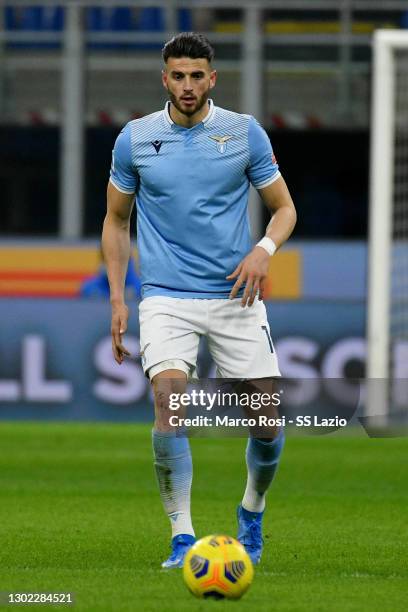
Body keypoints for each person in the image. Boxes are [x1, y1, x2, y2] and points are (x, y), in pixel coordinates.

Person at [102, 32, 296, 569]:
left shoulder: (243, 133)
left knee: (267, 420)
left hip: (237, 293)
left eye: (196, 76)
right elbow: (117, 221)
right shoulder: (135, 138)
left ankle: (251, 512)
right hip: (165, 295)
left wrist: (263, 250)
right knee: (169, 398)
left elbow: (284, 209)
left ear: (213, 78)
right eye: (177, 76)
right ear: (164, 79)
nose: (187, 86)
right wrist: (119, 299)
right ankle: (182, 538)